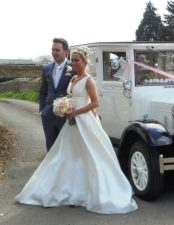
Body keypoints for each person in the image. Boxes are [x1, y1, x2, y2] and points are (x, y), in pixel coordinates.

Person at [15, 47, 138, 214]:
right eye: (72, 60)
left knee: (89, 155)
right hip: (72, 121)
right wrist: (65, 108)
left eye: (76, 60)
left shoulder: (89, 80)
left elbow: (95, 103)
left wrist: (76, 112)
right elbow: (71, 97)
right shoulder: (73, 78)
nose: (73, 63)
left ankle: (91, 191)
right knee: (68, 155)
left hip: (84, 121)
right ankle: (69, 189)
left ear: (84, 61)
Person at [39, 38, 75, 152]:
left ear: (66, 52)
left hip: (66, 116)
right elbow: (43, 91)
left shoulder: (74, 68)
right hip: (48, 115)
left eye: (57, 50)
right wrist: (42, 110)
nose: (54, 52)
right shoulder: (46, 68)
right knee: (50, 148)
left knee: (66, 148)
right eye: (52, 50)